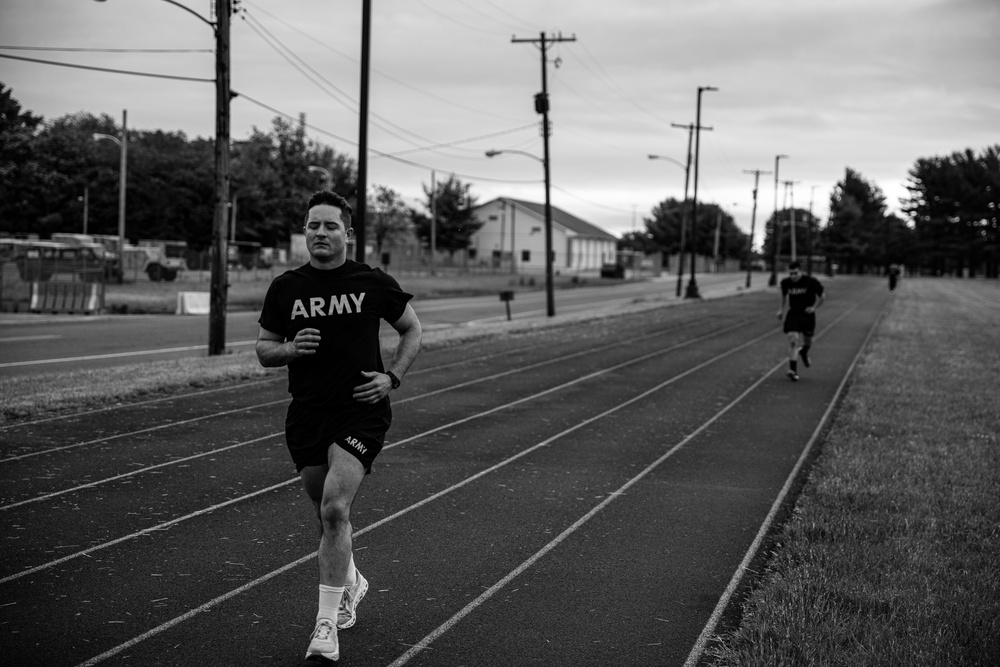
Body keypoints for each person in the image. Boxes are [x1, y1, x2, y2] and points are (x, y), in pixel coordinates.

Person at [256, 190, 422, 663]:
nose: (320, 233)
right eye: (313, 225)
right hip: (307, 413)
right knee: (321, 505)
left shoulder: (371, 282)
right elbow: (264, 349)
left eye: (330, 226)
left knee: (334, 508)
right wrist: (289, 349)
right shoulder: (286, 287)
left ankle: (326, 624)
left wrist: (391, 378)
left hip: (360, 410)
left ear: (347, 233)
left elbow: (412, 329)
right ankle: (350, 578)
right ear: (304, 231)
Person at [777, 260, 824, 381]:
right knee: (793, 339)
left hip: (807, 314)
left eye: (795, 273)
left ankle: (803, 352)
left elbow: (822, 296)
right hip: (794, 313)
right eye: (791, 273)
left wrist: (813, 308)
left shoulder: (811, 282)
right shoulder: (786, 283)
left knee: (808, 342)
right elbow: (783, 297)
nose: (793, 276)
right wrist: (781, 310)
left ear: (800, 271)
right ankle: (793, 370)